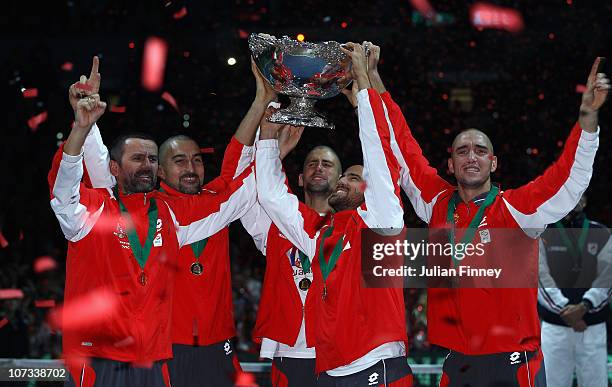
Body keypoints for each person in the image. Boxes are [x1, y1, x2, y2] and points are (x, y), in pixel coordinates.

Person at [367, 45, 608, 386]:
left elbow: (569, 177)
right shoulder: (436, 203)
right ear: (450, 164)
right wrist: (373, 78)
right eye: (462, 151)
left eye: (481, 151)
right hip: (456, 361)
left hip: (513, 361)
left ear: (493, 163)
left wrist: (587, 120)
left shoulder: (516, 208)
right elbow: (402, 148)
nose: (471, 157)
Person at [49, 57, 256, 387]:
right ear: (115, 170)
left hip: (153, 359)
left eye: (150, 158)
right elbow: (64, 193)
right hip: (101, 358)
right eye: (137, 158)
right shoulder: (95, 209)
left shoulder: (169, 213)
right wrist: (81, 128)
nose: (146, 164)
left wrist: (269, 139)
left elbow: (234, 193)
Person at [256, 42, 413, 386]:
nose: (342, 179)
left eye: (354, 178)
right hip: (330, 370)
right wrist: (267, 136)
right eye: (345, 175)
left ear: (369, 193)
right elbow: (270, 194)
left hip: (376, 365)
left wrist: (364, 87)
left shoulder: (381, 225)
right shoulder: (319, 235)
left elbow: (378, 155)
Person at [242, 118, 341, 385]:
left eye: (327, 164)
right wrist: (276, 154)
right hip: (290, 352)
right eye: (312, 163)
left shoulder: (351, 228)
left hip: (340, 349)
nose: (319, 168)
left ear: (340, 181)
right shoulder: (276, 223)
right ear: (300, 177)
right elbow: (245, 200)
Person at [538, 194, 612, 387]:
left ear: (585, 201)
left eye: (578, 195)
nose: (572, 199)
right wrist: (566, 310)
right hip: (555, 327)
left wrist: (585, 306)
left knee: (595, 384)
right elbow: (538, 277)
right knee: (552, 383)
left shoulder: (602, 233)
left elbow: (608, 277)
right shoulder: (543, 232)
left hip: (592, 326)